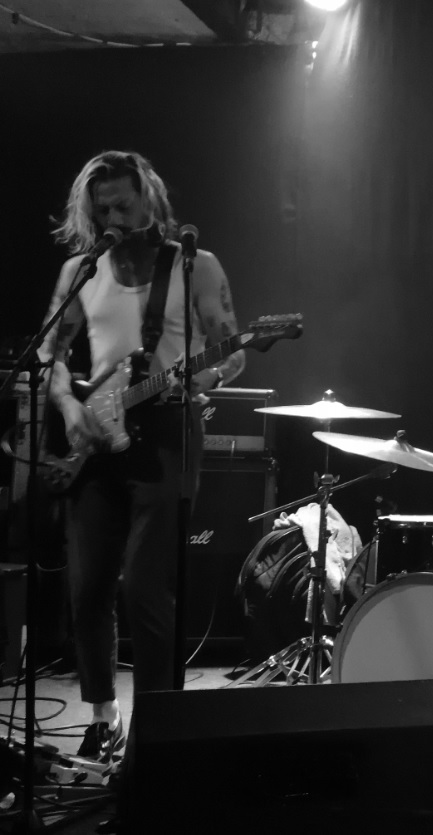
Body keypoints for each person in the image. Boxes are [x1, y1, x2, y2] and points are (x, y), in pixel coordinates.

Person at [38, 150, 245, 767]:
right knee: (87, 588)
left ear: (148, 199)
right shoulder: (81, 270)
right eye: (102, 210)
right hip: (95, 437)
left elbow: (233, 348)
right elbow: (50, 355)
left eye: (124, 206)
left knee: (147, 587)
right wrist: (68, 407)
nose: (114, 219)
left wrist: (208, 378)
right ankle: (103, 719)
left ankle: (158, 730)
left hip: (166, 431)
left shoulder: (194, 266)